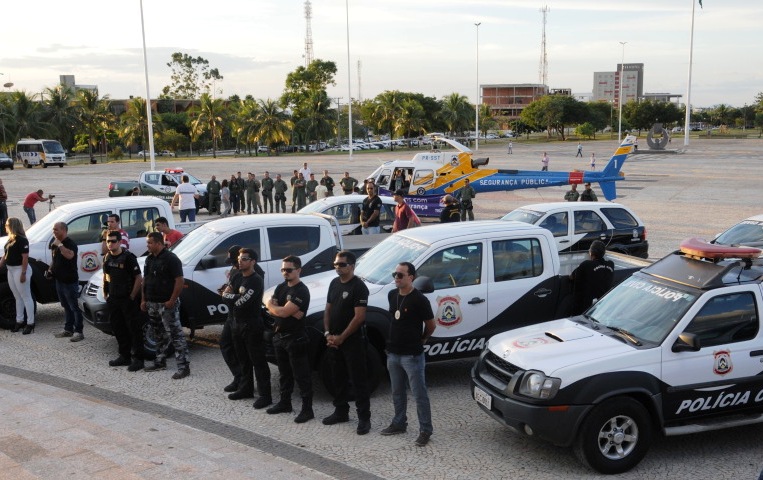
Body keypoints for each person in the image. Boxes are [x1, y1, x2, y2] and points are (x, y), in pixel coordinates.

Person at [382, 262, 436, 447]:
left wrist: (422, 339)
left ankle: (425, 430)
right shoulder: (392, 295)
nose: (396, 278)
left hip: (411, 355)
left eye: (400, 275)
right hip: (393, 353)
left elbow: (431, 325)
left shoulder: (420, 299)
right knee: (397, 391)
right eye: (394, 274)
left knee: (419, 394)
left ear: (411, 277)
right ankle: (399, 423)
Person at [322, 251, 371, 435]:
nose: (338, 267)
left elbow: (359, 317)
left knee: (358, 380)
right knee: (338, 378)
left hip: (353, 342)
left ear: (352, 266)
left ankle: (364, 418)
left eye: (342, 264)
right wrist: (328, 334)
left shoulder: (359, 287)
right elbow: (328, 309)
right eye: (335, 264)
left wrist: (342, 337)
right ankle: (341, 411)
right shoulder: (334, 283)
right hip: (333, 339)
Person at [222, 248, 273, 409]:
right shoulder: (236, 275)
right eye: (239, 258)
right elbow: (225, 296)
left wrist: (232, 297)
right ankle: (246, 388)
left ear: (253, 262)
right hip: (236, 323)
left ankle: (265, 395)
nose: (240, 261)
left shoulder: (255, 280)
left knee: (258, 361)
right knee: (242, 359)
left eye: (244, 259)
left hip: (252, 325)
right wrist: (233, 297)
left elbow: (241, 302)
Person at [265, 255, 313, 423]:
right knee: (284, 374)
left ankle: (307, 410)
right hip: (280, 336)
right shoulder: (281, 287)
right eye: (283, 269)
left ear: (298, 270)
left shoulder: (301, 290)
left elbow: (282, 312)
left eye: (289, 269)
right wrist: (281, 309)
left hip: (295, 338)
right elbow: (280, 311)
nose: (285, 272)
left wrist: (274, 307)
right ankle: (285, 403)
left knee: (301, 375)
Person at [141, 232, 190, 380]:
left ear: (158, 243)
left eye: (150, 243)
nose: (147, 245)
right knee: (158, 335)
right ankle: (160, 361)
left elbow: (179, 281)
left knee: (176, 336)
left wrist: (172, 300)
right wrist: (143, 300)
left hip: (166, 304)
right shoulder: (149, 259)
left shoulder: (171, 259)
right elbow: (145, 280)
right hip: (152, 303)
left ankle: (183, 367)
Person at [102, 230, 145, 371]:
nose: (110, 244)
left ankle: (138, 359)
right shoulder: (107, 257)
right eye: (108, 241)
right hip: (114, 299)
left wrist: (132, 296)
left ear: (120, 242)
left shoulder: (128, 258)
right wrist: (105, 293)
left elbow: (138, 278)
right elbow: (106, 276)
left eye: (113, 241)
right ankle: (124, 356)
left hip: (127, 299)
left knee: (134, 329)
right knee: (118, 328)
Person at [49, 222, 85, 342]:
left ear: (64, 230)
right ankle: (68, 329)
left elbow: (69, 256)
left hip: (69, 281)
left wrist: (60, 245)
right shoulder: (55, 244)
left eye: (56, 229)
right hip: (59, 280)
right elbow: (55, 259)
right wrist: (50, 269)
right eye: (53, 229)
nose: (54, 232)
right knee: (65, 306)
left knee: (74, 306)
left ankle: (79, 331)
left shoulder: (70, 244)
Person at [0, 218, 35, 334]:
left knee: (26, 296)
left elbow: (25, 258)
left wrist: (23, 273)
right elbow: (5, 254)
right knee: (17, 297)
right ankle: (19, 320)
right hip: (11, 269)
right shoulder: (11, 239)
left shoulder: (22, 240)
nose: (5, 226)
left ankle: (30, 322)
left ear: (12, 226)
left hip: (20, 269)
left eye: (7, 225)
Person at [569, 240, 614, 315]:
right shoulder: (611, 264)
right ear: (603, 253)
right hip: (604, 305)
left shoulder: (586, 264)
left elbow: (571, 277)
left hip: (587, 307)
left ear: (591, 252)